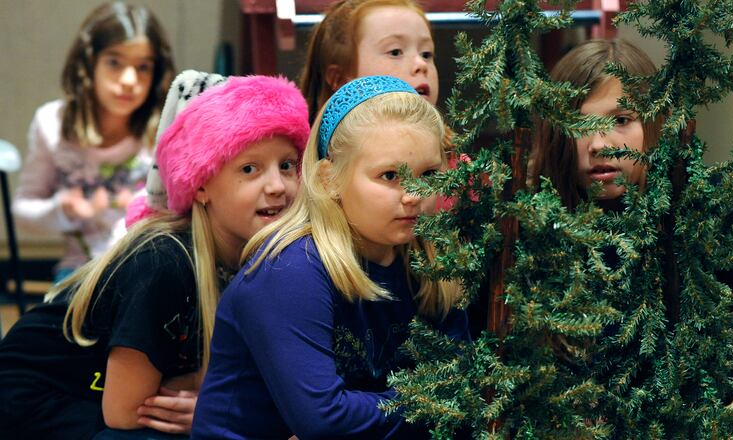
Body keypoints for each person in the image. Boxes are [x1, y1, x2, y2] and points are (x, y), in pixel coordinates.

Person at [0, 74, 310, 439]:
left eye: (287, 165)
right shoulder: (165, 261)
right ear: (201, 185)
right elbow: (125, 412)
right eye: (249, 169)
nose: (277, 186)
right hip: (36, 406)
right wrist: (219, 410)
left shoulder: (270, 256)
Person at [192, 76, 470, 439]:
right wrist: (435, 403)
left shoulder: (433, 260)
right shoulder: (290, 269)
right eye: (389, 175)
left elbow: (468, 387)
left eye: (429, 174)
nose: (414, 194)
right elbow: (325, 421)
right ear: (329, 179)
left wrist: (448, 400)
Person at [530, 38, 733, 401]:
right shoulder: (536, 219)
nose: (599, 143)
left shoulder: (704, 209)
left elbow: (728, 364)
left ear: (654, 125)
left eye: (621, 120)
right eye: (580, 122)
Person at [12, 2, 175, 282]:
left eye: (143, 67)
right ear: (88, 63)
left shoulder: (166, 127)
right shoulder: (51, 123)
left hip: (147, 267)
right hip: (78, 270)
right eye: (115, 62)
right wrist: (63, 208)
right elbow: (23, 210)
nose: (128, 80)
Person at [299, 0, 439, 123]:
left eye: (426, 54)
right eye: (395, 52)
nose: (421, 64)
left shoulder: (456, 150)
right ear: (340, 79)